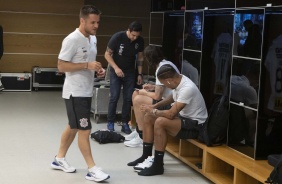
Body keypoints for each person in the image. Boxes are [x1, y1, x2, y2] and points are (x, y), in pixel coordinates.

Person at [50, 5, 110, 182]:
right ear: (82, 20)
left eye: (98, 22)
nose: (96, 26)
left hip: (86, 89)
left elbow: (88, 63)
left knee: (74, 126)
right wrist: (86, 66)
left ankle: (59, 158)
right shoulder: (71, 39)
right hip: (75, 93)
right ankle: (92, 169)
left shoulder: (93, 38)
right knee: (85, 129)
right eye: (93, 22)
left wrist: (96, 70)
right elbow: (61, 66)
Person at [128, 64, 208, 176]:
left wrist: (154, 111)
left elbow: (171, 114)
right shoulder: (178, 81)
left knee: (160, 122)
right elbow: (171, 98)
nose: (163, 86)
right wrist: (153, 107)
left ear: (169, 81)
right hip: (183, 117)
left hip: (196, 125)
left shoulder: (187, 88)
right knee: (148, 117)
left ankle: (158, 165)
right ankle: (146, 156)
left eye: (164, 83)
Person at [124, 45, 180, 148]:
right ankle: (138, 130)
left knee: (138, 99)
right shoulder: (166, 64)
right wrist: (152, 86)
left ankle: (142, 137)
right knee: (135, 93)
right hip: (168, 99)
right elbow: (164, 87)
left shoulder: (161, 69)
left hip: (171, 104)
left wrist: (144, 92)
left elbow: (157, 96)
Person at [105, 21, 144, 134]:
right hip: (116, 70)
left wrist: (140, 74)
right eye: (133, 35)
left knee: (128, 98)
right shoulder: (118, 37)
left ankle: (125, 123)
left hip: (130, 72)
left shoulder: (140, 41)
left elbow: (140, 58)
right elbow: (107, 54)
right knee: (114, 96)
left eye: (137, 35)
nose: (134, 37)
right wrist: (116, 68)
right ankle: (110, 122)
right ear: (128, 30)